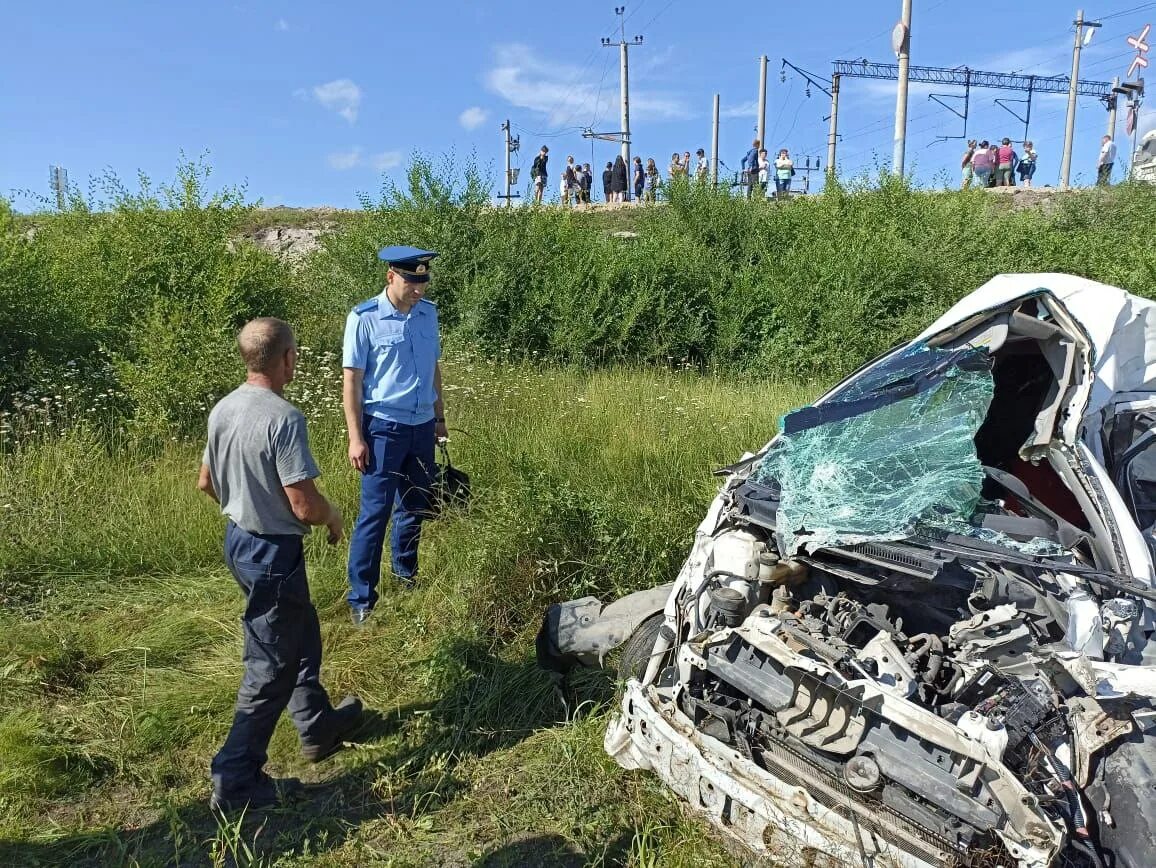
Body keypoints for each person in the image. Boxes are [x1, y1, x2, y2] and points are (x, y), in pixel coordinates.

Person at [199, 317, 363, 813]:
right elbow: (303, 506)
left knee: (297, 630)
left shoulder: (223, 408)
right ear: (286, 358)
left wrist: (247, 508)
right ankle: (235, 778)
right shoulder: (282, 418)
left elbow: (206, 483)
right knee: (269, 666)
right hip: (272, 552)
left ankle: (316, 727)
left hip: (240, 542)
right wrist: (334, 518)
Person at [343, 246, 448, 625]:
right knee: (375, 513)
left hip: (422, 427)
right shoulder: (364, 318)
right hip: (383, 428)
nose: (418, 289)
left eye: (423, 281)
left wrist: (439, 418)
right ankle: (361, 598)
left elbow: (433, 367)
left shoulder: (428, 314)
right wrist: (357, 436)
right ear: (391, 277)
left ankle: (405, 575)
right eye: (411, 282)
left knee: (414, 507)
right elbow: (352, 381)